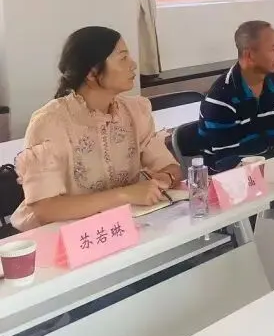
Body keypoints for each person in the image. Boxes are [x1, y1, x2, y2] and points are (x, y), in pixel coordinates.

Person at [11, 27, 180, 230]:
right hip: (65, 238)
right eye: (123, 58)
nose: (133, 64)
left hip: (124, 229)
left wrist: (164, 179)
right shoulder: (50, 122)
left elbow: (170, 167)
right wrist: (124, 195)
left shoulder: (135, 111)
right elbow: (46, 208)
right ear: (92, 72)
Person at [199, 21, 274, 173]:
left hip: (270, 171)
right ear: (250, 55)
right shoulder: (221, 98)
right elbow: (227, 161)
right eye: (273, 49)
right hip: (231, 178)